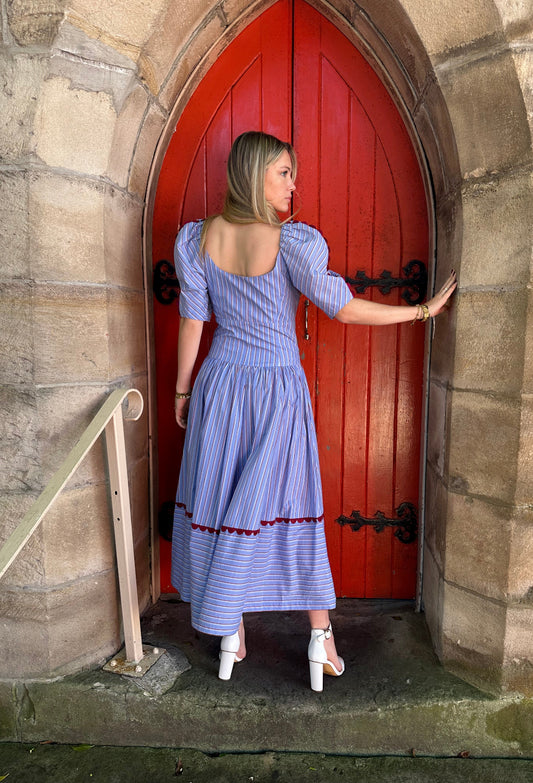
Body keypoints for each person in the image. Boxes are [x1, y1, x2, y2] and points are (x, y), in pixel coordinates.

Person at [171, 130, 456, 692]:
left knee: (227, 500)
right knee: (288, 504)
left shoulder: (198, 239)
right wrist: (420, 311)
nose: (294, 183)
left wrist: (182, 394)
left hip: (221, 386)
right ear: (255, 176)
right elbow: (342, 308)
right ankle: (318, 641)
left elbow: (192, 322)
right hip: (276, 388)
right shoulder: (290, 242)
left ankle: (230, 629)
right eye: (284, 172)